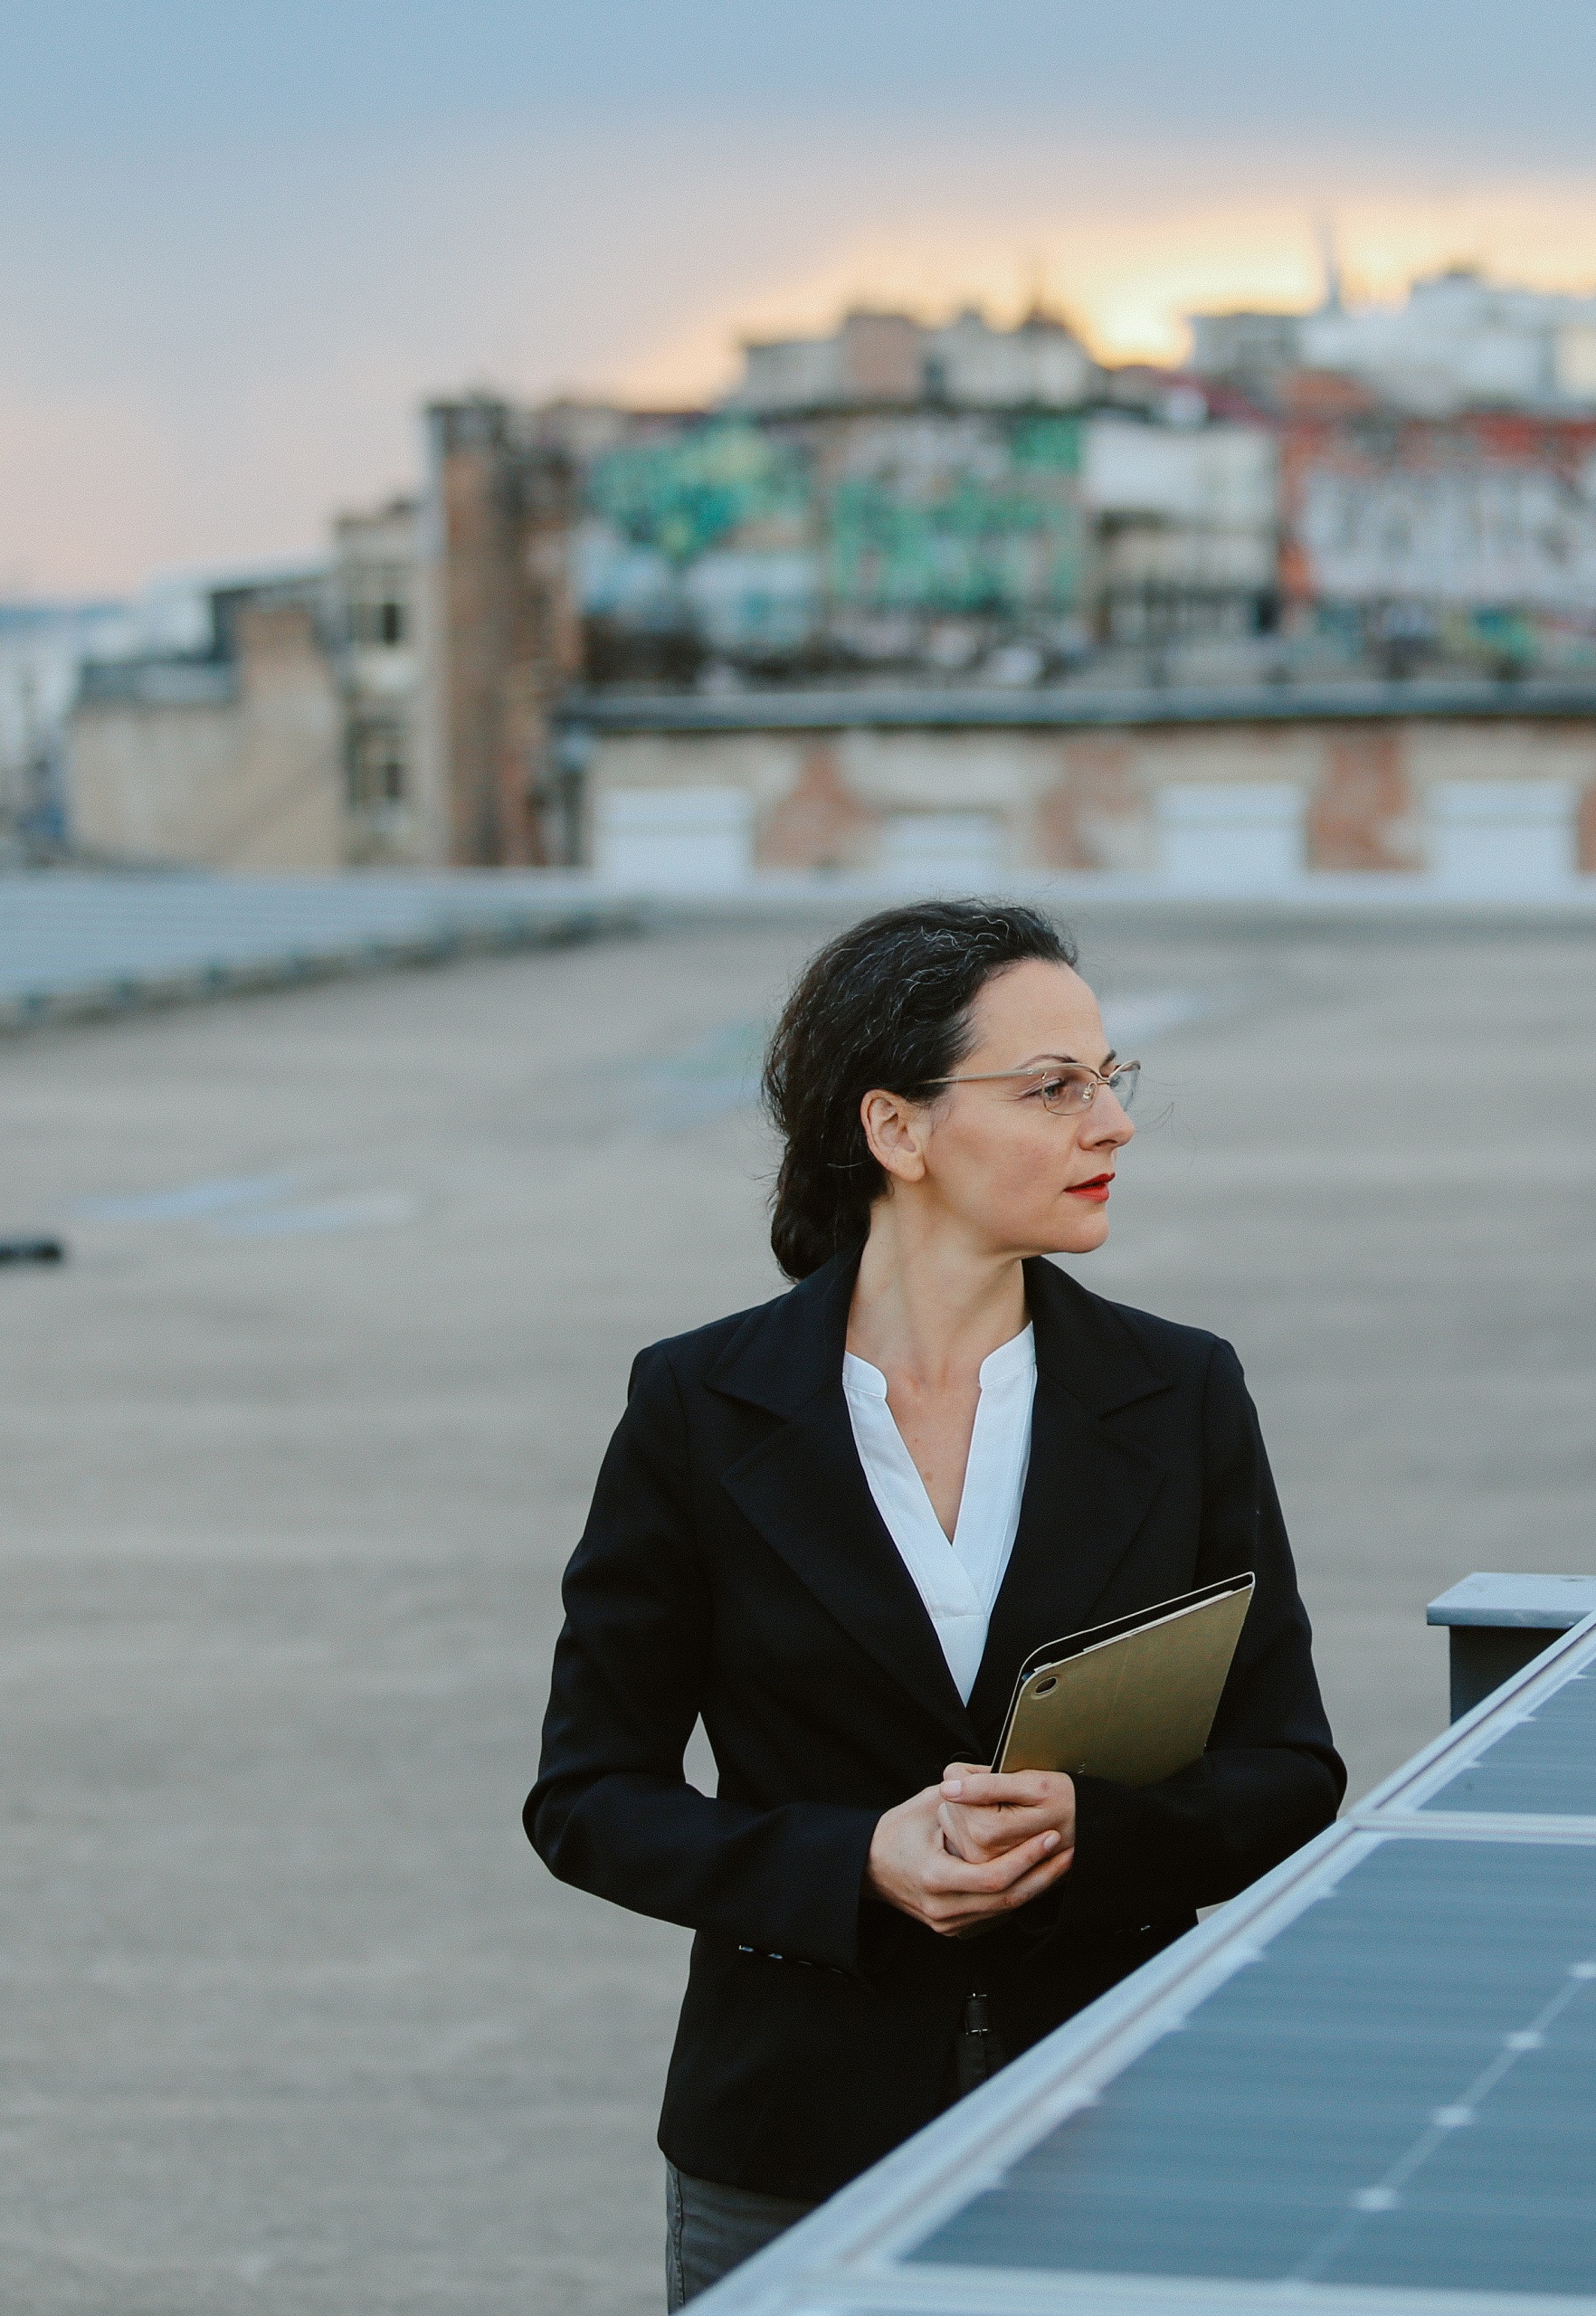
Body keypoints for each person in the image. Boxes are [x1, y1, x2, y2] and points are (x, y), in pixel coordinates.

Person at [524, 899, 1343, 2311]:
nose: (1112, 1126)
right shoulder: (701, 1408)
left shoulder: (1182, 1394)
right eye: (1052, 1090)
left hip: (1114, 2121)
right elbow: (590, 1794)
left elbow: (1287, 1771)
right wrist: (851, 1865)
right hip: (787, 2147)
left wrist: (1102, 1830)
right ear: (897, 1131)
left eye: (1109, 1081)